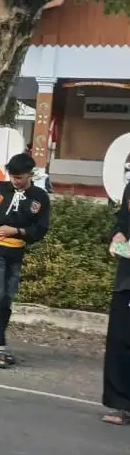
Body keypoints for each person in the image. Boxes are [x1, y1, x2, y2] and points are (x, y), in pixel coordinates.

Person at [0, 152, 50, 369]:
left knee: (7, 297)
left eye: (20, 177)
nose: (15, 181)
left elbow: (40, 228)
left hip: (16, 250)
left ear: (29, 174)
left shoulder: (39, 197)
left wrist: (17, 231)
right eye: (13, 177)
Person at [101, 181, 130, 425]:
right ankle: (121, 404)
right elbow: (122, 221)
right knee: (120, 341)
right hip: (127, 280)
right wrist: (118, 233)